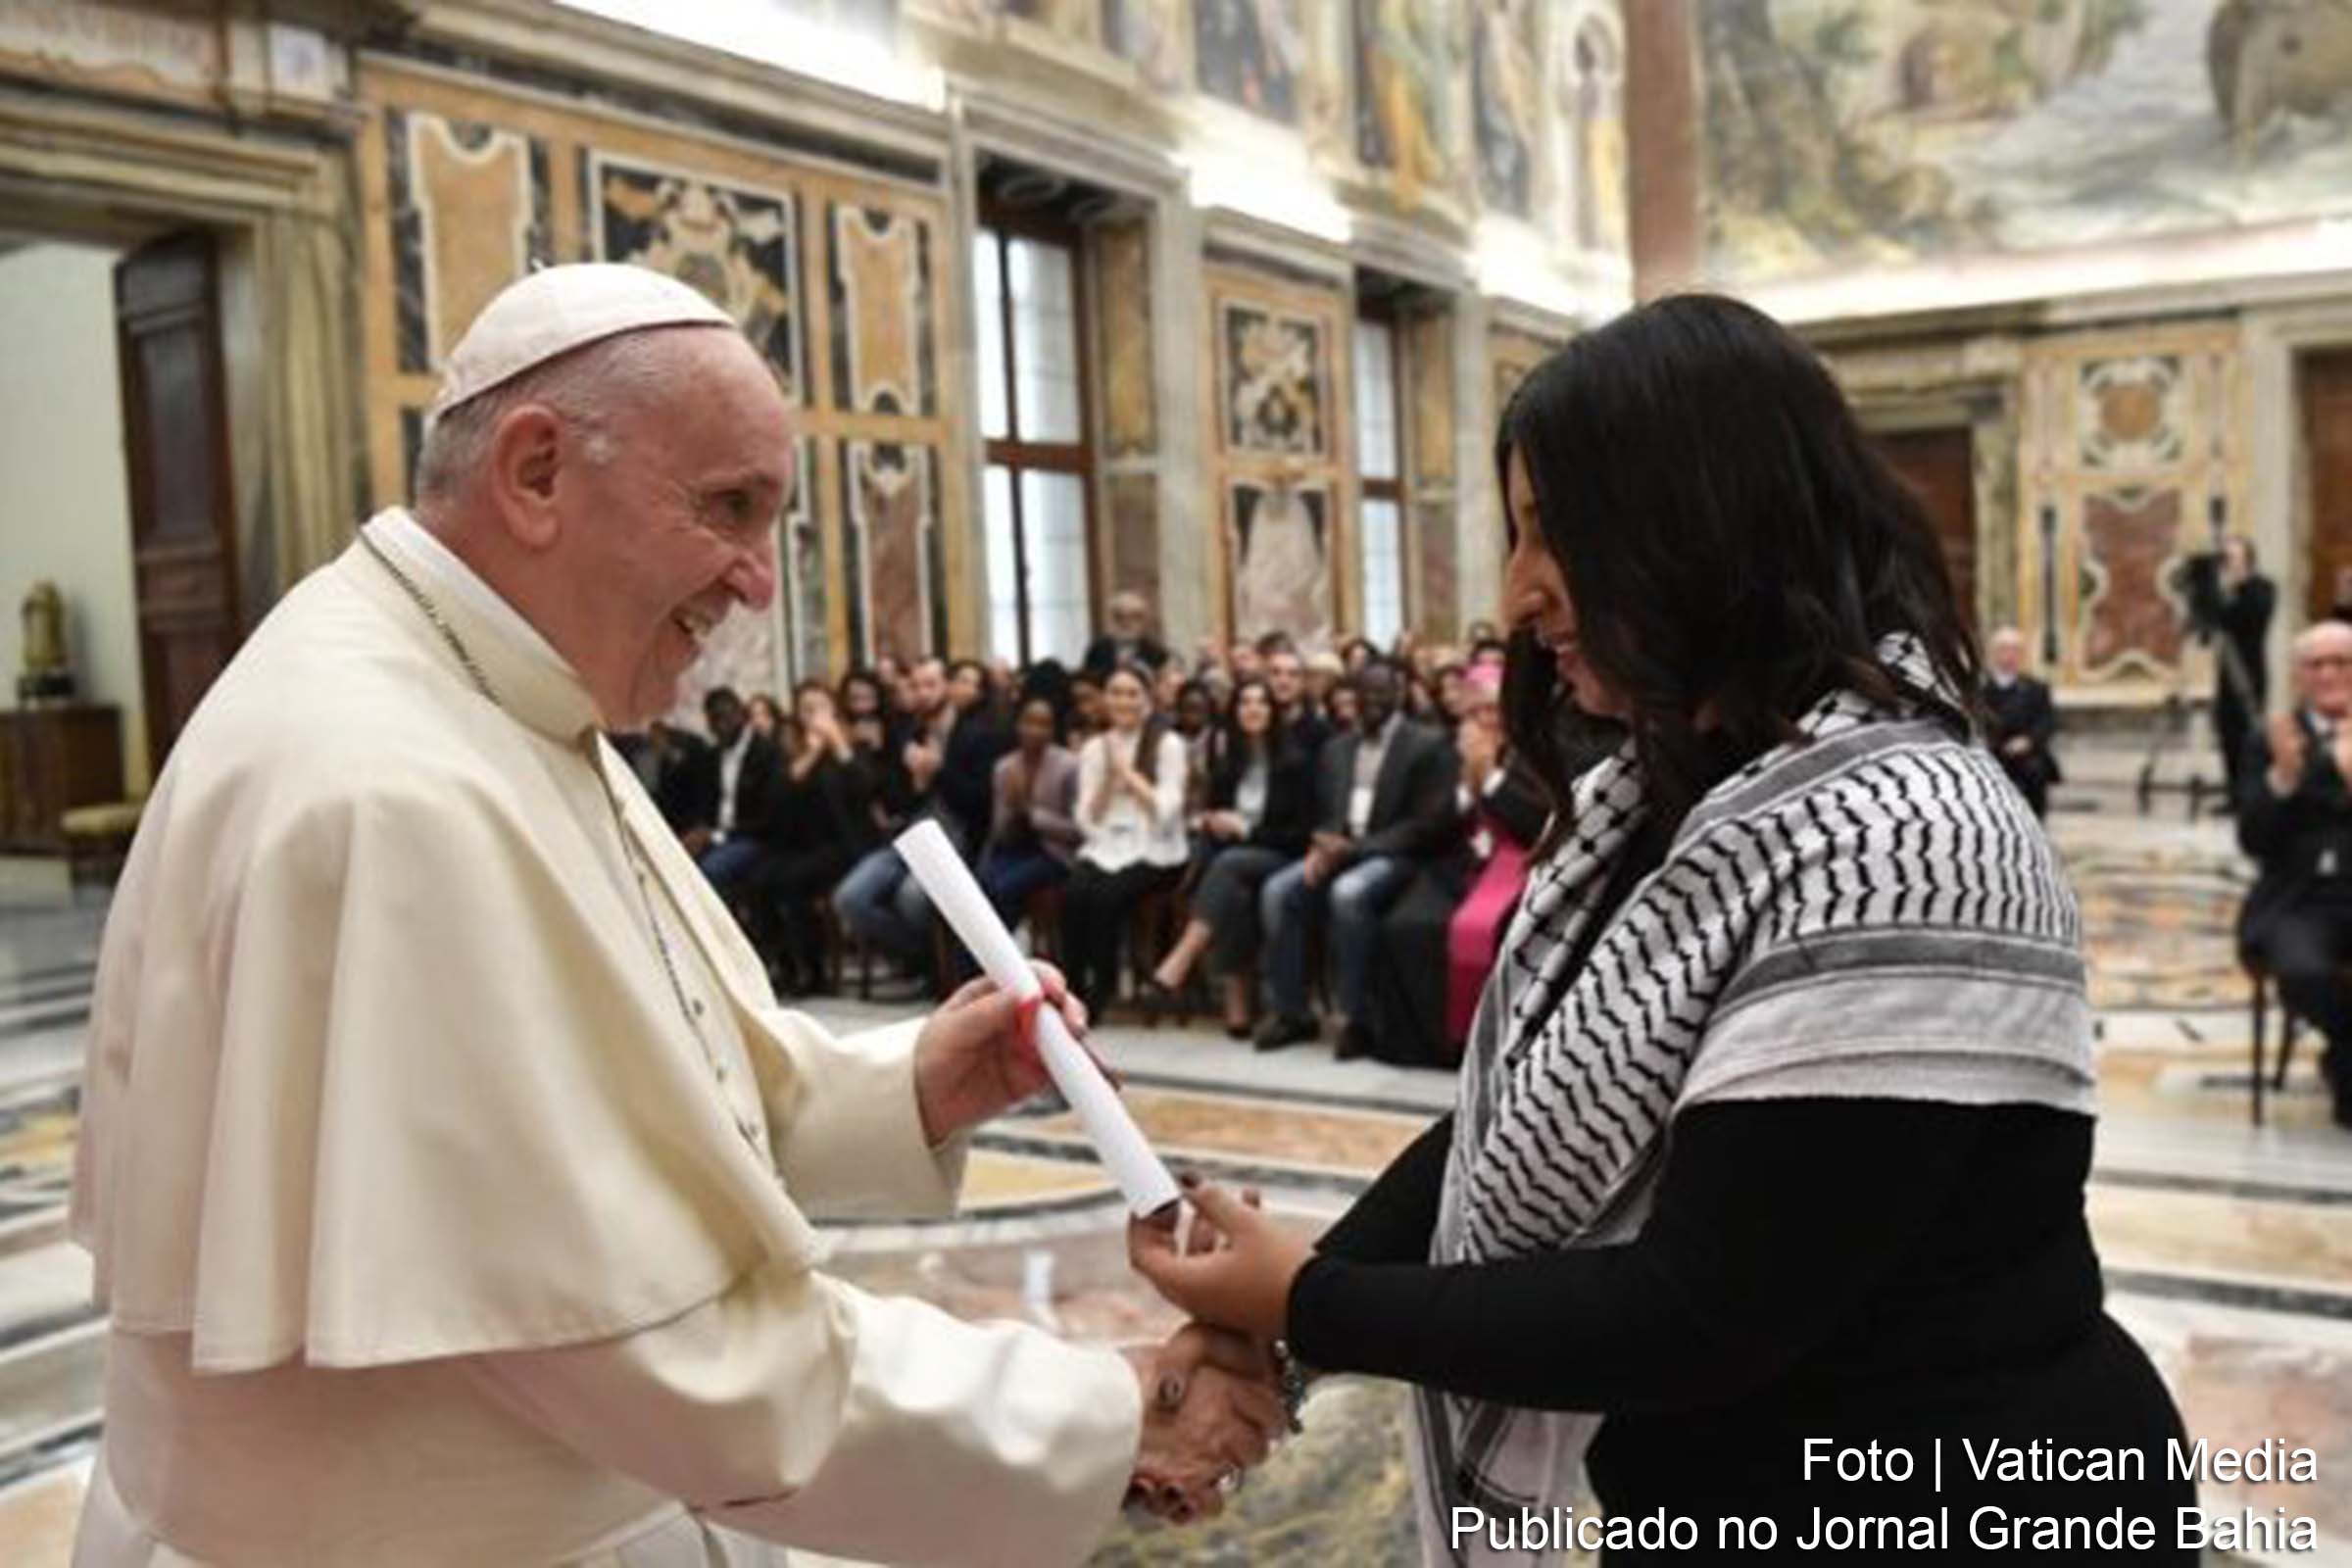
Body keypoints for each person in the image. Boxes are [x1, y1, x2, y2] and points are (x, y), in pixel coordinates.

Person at [70, 265, 1278, 1566]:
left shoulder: (478, 690)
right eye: (728, 510)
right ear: (537, 472)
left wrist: (903, 1091)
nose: (759, 584)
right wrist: (1108, 1415)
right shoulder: (395, 789)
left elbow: (614, 1083)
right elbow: (664, 1350)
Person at [1131, 294, 2191, 1564]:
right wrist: (1275, 1327)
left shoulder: (1905, 837)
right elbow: (1516, 1126)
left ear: (1690, 524)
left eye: (1549, 534)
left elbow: (1701, 1311)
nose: (1519, 594)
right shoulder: (1679, 791)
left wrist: (1310, 1301)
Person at [1254, 660, 1459, 1057]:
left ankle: (1357, 1019)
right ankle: (1292, 1013)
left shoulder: (1428, 744)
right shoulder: (1336, 748)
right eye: (1364, 693)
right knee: (1278, 891)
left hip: (1399, 857)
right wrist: (1322, 845)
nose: (1372, 702)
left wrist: (1355, 850)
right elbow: (1326, 815)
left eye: (1382, 692)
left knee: (1348, 894)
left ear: (1399, 693)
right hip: (1340, 851)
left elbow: (1425, 826)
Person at [1359, 665, 1547, 1066]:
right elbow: (1432, 827)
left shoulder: (1534, 750)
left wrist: (1491, 778)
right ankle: (1426, 1046)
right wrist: (1465, 785)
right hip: (1459, 866)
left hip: (1518, 868)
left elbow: (1536, 822)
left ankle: (1483, 1047)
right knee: (1404, 925)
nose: (1482, 722)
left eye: (1490, 711)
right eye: (1473, 712)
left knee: (1493, 933)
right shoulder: (1450, 751)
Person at [1145, 677, 1315, 1037]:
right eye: (1244, 703)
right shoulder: (1228, 764)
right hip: (1234, 864)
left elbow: (1300, 837)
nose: (1252, 709)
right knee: (1233, 891)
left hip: (1282, 857)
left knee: (1229, 865)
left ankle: (1181, 960)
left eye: (1261, 702)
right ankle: (1238, 1006)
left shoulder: (1295, 763)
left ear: (1273, 712)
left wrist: (1246, 831)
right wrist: (1215, 822)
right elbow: (1215, 814)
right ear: (1234, 712)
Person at [2237, 619, 2352, 1129]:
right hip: (2297, 900)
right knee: (2303, 973)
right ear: (2299, 675)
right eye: (2315, 664)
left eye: (2341, 663)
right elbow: (2253, 839)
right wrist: (2283, 779)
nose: (2328, 674)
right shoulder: (2270, 737)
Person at [1063, 664, 1190, 1015]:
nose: (1123, 701)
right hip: (1107, 842)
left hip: (1156, 847)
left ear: (1147, 700)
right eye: (1116, 692)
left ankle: (1101, 990)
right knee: (1074, 893)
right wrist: (1107, 780)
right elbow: (1086, 817)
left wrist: (1127, 775)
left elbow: (1167, 810)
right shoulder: (1094, 748)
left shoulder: (1167, 744)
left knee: (1106, 896)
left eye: (1132, 693)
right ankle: (1071, 986)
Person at [832, 656, 962, 981]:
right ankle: (920, 957)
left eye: (930, 685)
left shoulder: (966, 730)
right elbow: (895, 801)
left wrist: (934, 773)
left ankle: (935, 967)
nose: (921, 693)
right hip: (901, 836)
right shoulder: (907, 731)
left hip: (950, 835)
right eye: (916, 685)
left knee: (912, 897)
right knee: (850, 898)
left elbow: (973, 799)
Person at [751, 681, 876, 997]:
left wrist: (835, 745)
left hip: (842, 844)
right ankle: (784, 965)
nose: (814, 715)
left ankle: (814, 969)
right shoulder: (788, 746)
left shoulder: (852, 742)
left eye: (820, 708)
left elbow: (865, 789)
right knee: (759, 881)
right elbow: (778, 797)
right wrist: (811, 753)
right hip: (799, 843)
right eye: (807, 709)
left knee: (793, 884)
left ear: (833, 709)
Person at [975, 693, 1082, 929]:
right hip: (1014, 847)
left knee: (1003, 888)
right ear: (1018, 725)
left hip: (1055, 852)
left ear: (1053, 730)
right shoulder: (1004, 767)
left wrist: (1031, 812)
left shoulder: (1068, 766)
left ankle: (1007, 957)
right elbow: (999, 831)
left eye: (1043, 724)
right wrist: (1013, 810)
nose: (1034, 730)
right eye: (1028, 722)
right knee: (979, 887)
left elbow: (1078, 830)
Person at [2184, 534, 2276, 806]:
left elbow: (2246, 618)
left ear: (2248, 559)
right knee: (2227, 731)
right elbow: (2207, 630)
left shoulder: (2261, 588)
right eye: (2224, 557)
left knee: (2248, 731)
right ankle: (2233, 792)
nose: (2227, 563)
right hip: (2226, 670)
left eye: (2232, 556)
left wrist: (2233, 590)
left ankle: (2251, 792)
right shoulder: (2221, 591)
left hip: (2249, 671)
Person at [688, 685, 784, 901]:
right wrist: (699, 829)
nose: (721, 726)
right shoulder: (710, 757)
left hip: (753, 838)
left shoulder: (767, 753)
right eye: (714, 720)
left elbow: (768, 817)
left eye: (726, 717)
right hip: (718, 835)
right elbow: (704, 803)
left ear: (742, 715)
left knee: (709, 872)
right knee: (674, 863)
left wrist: (715, 835)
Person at [1984, 624, 2062, 818]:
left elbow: (2047, 721)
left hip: (2025, 752)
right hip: (1990, 751)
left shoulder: (2036, 688)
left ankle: (2036, 822)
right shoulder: (1980, 689)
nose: (2009, 655)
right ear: (1993, 653)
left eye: (2015, 650)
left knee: (2035, 771)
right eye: (2004, 649)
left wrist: (2028, 741)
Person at [1082, 589, 1171, 678]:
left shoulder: (1156, 652)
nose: (1126, 623)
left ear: (1144, 621)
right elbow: (1088, 682)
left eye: (1134, 617)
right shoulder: (1098, 649)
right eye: (1120, 617)